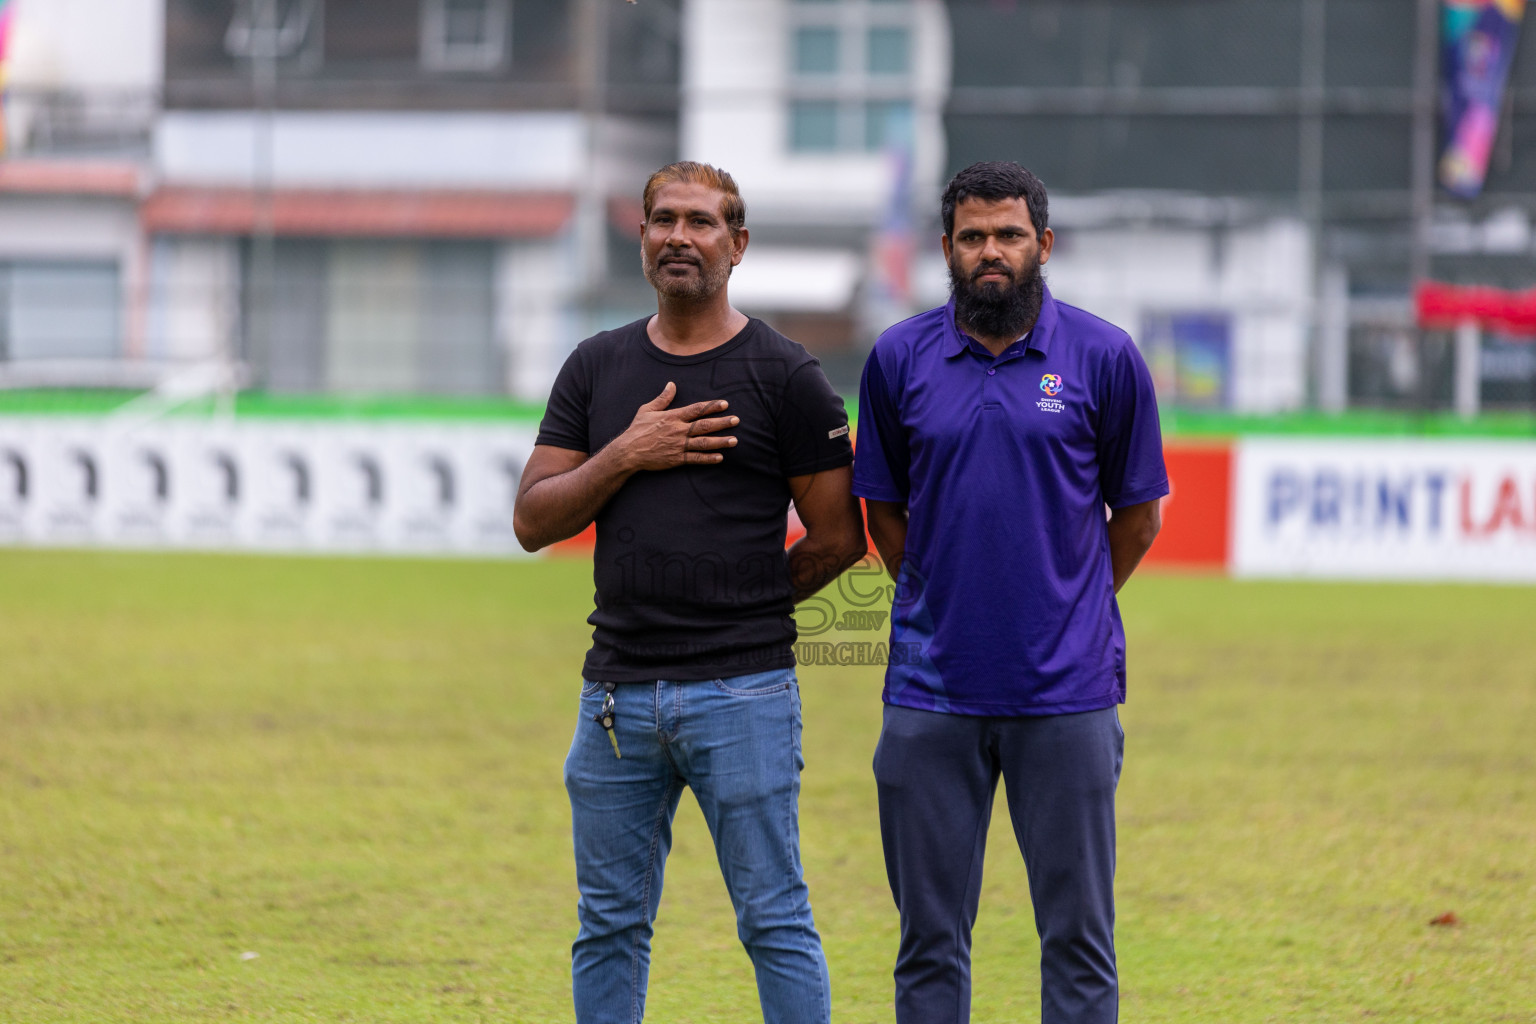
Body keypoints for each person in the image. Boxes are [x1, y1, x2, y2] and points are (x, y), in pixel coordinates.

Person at [513, 161, 866, 1024]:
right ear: (640, 239)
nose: (680, 235)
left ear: (737, 245)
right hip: (614, 700)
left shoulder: (785, 376)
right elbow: (531, 520)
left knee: (774, 920)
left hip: (743, 694)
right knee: (608, 927)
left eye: (702, 222)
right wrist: (625, 454)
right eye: (663, 219)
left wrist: (749, 602)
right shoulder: (595, 368)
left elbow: (839, 537)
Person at [852, 161, 1167, 1024]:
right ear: (946, 248)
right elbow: (882, 515)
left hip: (1066, 696)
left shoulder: (1104, 356)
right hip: (931, 695)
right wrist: (947, 598)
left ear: (1044, 244)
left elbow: (1137, 517)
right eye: (973, 236)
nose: (992, 251)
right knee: (927, 945)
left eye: (1010, 236)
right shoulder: (897, 357)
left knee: (1078, 941)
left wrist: (1069, 601)